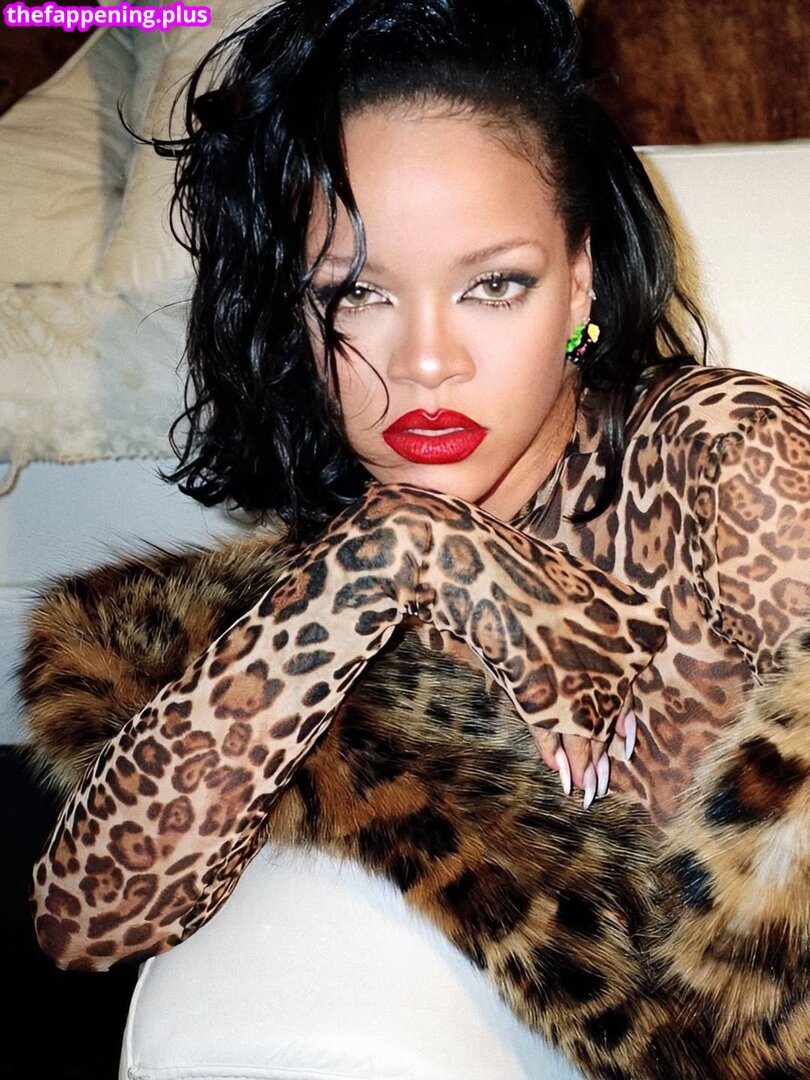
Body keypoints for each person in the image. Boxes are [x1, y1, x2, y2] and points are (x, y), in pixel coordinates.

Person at [24, 0, 810, 1075]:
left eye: (494, 284)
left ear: (580, 280)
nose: (427, 360)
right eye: (358, 293)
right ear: (298, 315)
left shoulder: (727, 457)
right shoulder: (343, 574)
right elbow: (87, 919)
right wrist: (394, 552)